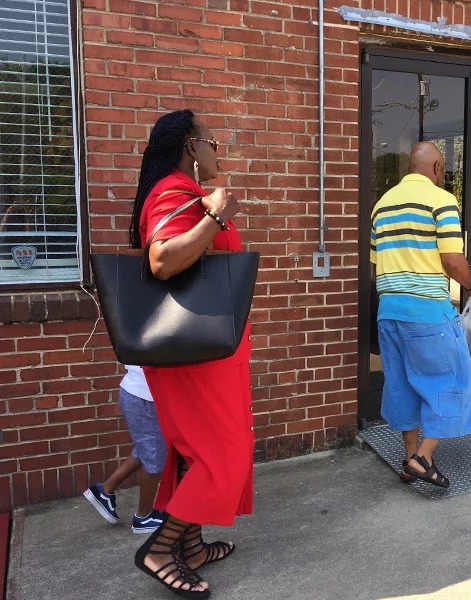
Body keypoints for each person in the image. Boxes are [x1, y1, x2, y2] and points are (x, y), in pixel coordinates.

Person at [128, 109, 254, 598]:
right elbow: (162, 259)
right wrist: (216, 213)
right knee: (223, 453)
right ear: (189, 145)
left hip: (209, 346)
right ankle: (161, 548)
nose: (215, 150)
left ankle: (193, 544)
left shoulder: (188, 194)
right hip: (194, 350)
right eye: (211, 142)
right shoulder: (172, 194)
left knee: (197, 451)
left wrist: (213, 197)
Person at [371, 141, 471, 489]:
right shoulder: (441, 200)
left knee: (402, 382)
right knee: (455, 378)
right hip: (427, 310)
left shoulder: (381, 206)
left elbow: (376, 268)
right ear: (437, 169)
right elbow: (453, 261)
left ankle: (410, 460)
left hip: (389, 310)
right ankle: (424, 456)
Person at [83, 365, 166, 534]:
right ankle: (144, 517)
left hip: (141, 394)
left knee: (147, 449)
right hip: (145, 397)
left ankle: (104, 491)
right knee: (153, 460)